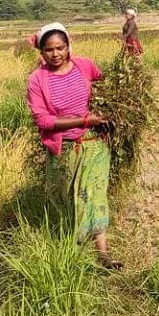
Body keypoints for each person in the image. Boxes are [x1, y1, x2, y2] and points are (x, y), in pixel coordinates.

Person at [26, 22, 121, 270]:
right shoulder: (37, 80)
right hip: (65, 149)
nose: (55, 53)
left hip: (94, 144)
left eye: (60, 47)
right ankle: (72, 251)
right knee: (67, 200)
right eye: (49, 49)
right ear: (41, 51)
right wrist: (84, 120)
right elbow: (43, 120)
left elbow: (106, 89)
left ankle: (102, 253)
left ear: (69, 46)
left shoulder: (84, 65)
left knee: (95, 195)